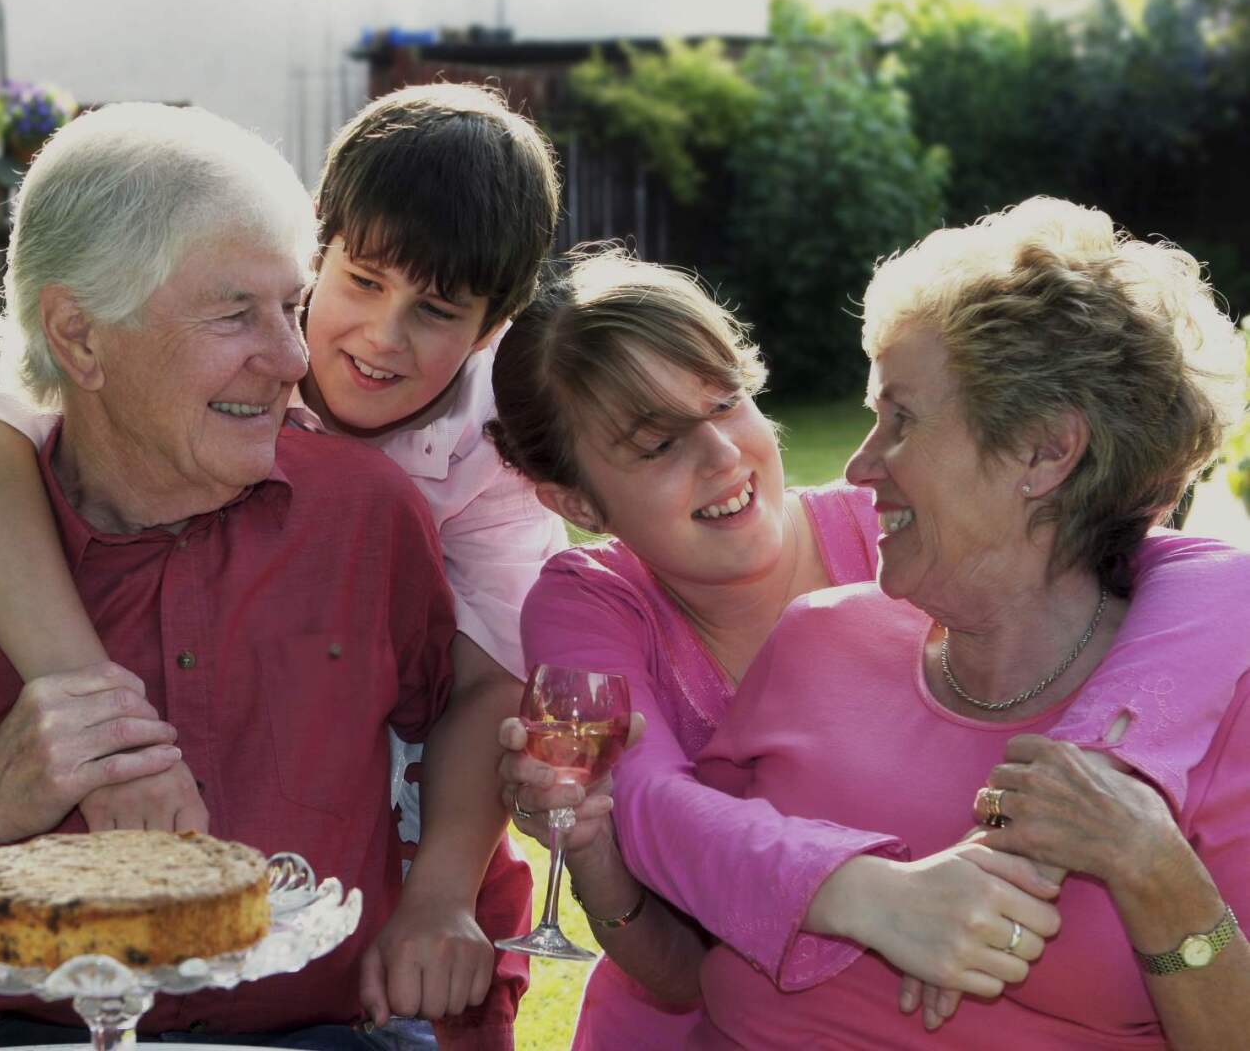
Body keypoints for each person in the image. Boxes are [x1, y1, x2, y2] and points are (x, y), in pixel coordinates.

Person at [0, 103, 465, 1050]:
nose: (294, 357)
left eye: (290, 307)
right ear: (80, 338)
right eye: (233, 314)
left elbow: (462, 715)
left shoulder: (366, 521)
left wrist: (444, 903)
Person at [0, 82, 564, 1049]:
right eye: (362, 282)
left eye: (437, 311)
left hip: (426, 812)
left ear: (493, 326)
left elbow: (490, 682)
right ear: (314, 249)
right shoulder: (196, 348)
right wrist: (87, 700)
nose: (382, 337)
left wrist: (438, 896)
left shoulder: (492, 445)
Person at [486, 241, 1248, 1047]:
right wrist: (873, 895)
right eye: (656, 445)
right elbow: (681, 918)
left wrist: (1107, 800)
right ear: (575, 499)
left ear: (1044, 452)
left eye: (724, 404)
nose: (857, 464)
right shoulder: (802, 633)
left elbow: (1208, 575)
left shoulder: (1194, 684)